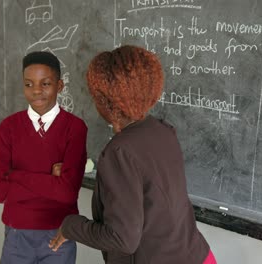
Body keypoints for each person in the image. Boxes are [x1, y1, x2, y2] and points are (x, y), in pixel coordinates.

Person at [49, 45, 217, 264]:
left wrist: (71, 226)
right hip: (197, 255)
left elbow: (121, 239)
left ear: (105, 101)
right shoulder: (163, 130)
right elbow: (144, 178)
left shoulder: (119, 152)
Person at [0, 51, 88, 264]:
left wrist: (15, 175)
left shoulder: (75, 128)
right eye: (29, 84)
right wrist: (51, 181)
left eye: (45, 84)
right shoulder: (9, 128)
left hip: (59, 234)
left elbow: (67, 193)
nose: (36, 91)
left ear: (60, 86)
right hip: (17, 234)